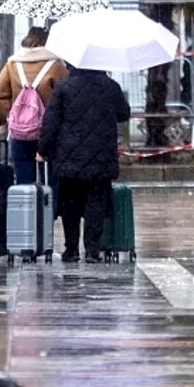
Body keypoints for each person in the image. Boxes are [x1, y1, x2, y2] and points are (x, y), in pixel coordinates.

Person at [38, 63, 130, 263]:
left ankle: (71, 250)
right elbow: (124, 113)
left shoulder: (63, 88)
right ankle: (92, 250)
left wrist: (42, 149)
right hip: (101, 156)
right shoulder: (111, 86)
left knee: (69, 204)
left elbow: (51, 122)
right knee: (95, 204)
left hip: (69, 157)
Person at [0, 27, 68, 185]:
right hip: (50, 132)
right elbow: (68, 94)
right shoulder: (56, 65)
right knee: (51, 181)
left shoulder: (12, 64)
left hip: (20, 131)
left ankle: (27, 208)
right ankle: (50, 209)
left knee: (24, 178)